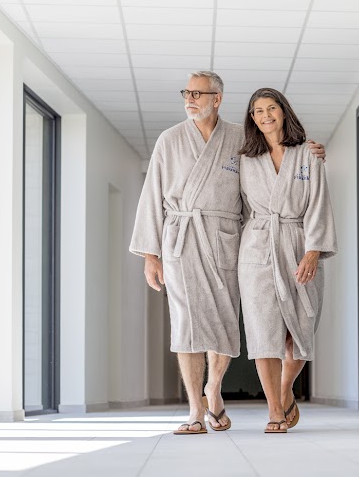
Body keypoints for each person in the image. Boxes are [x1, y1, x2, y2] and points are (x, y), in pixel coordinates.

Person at [129, 72, 325, 434]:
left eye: (197, 93)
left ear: (216, 99)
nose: (189, 99)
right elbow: (151, 195)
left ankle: (214, 389)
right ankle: (195, 411)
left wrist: (311, 153)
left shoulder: (241, 139)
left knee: (223, 324)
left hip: (228, 241)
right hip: (182, 238)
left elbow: (276, 166)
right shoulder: (169, 139)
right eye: (186, 92)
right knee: (186, 324)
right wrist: (150, 254)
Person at [237, 88, 337, 433]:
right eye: (258, 111)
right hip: (258, 248)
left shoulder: (307, 154)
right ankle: (274, 411)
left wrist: (313, 251)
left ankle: (284, 389)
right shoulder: (245, 159)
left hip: (298, 244)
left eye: (271, 108)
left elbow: (319, 203)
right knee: (264, 334)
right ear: (252, 118)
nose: (265, 115)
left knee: (300, 331)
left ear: (283, 112)